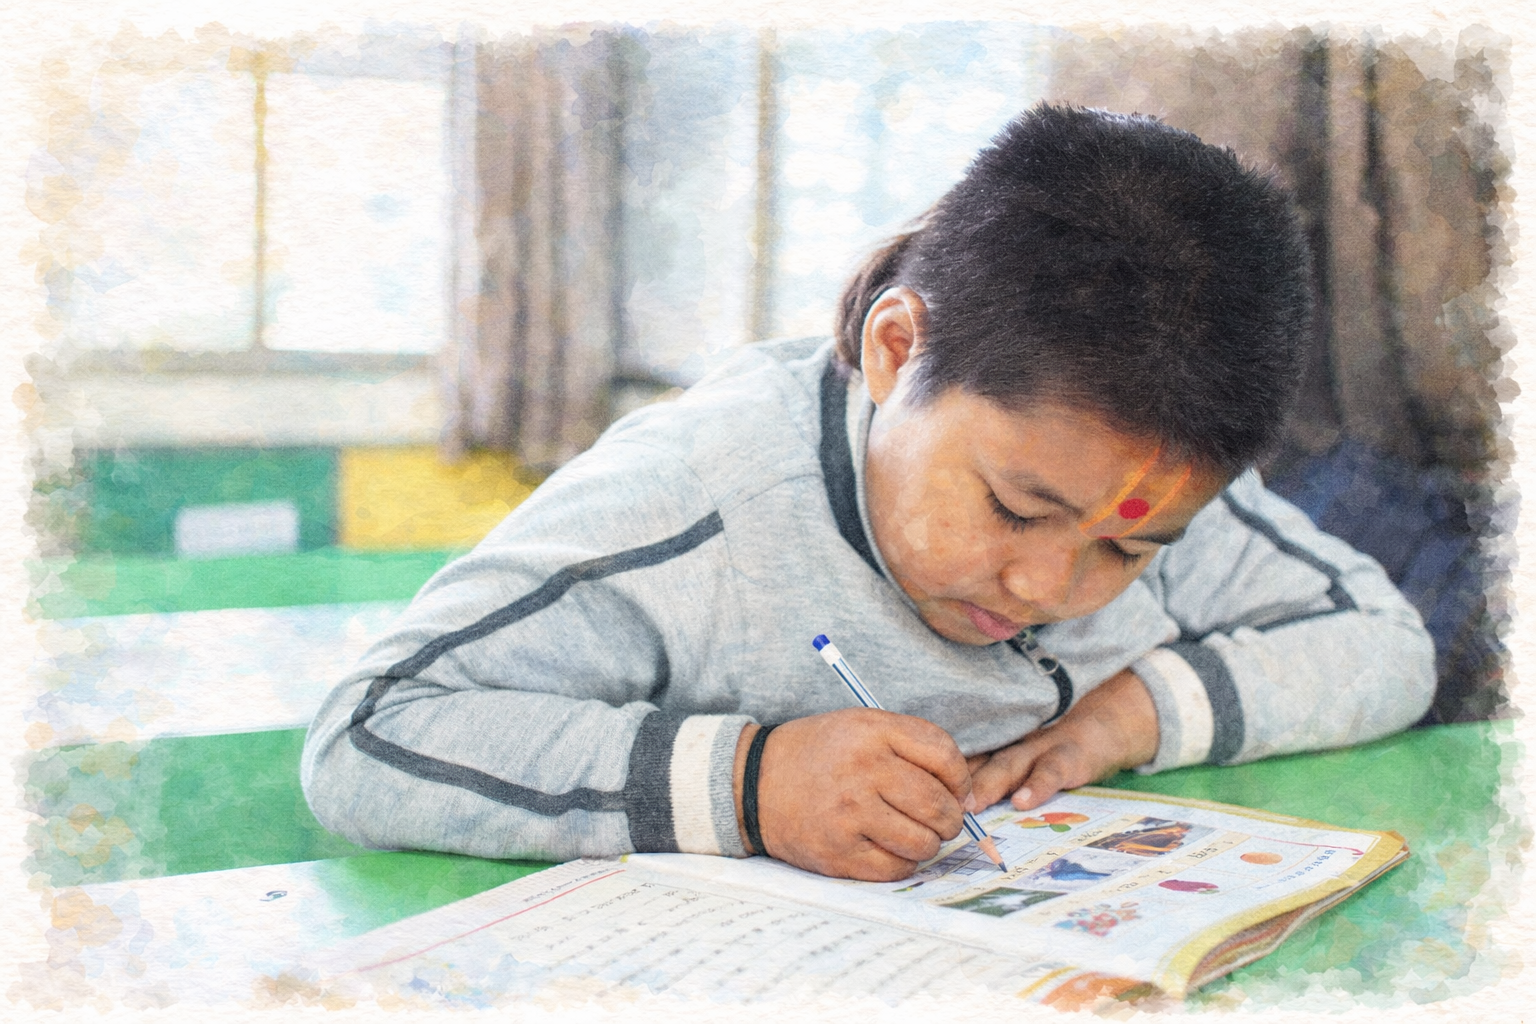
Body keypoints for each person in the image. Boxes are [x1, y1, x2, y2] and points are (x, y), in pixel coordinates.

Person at [301, 104, 1435, 882]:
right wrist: (751, 784)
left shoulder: (1132, 483)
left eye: (1127, 555)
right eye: (1014, 508)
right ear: (897, 351)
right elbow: (368, 732)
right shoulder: (692, 509)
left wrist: (1130, 714)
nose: (1050, 585)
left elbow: (1385, 642)